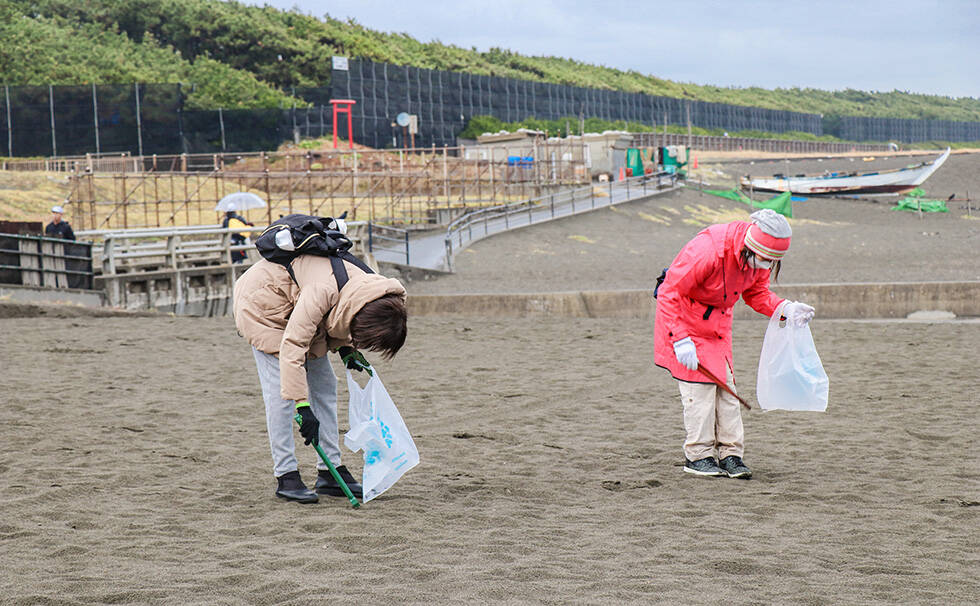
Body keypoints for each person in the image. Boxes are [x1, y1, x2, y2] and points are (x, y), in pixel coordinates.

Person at [233, 252, 408, 503]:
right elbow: (293, 349)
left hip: (299, 305)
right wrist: (302, 406)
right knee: (280, 395)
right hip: (264, 305)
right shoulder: (321, 292)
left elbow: (341, 314)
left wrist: (347, 349)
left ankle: (330, 472)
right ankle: (287, 475)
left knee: (326, 385)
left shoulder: (374, 288)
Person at [653, 208, 814, 479]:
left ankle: (731, 454)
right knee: (700, 394)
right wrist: (680, 339)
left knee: (727, 392)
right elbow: (669, 292)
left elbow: (757, 294)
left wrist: (785, 308)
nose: (767, 265)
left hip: (718, 328)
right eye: (765, 258)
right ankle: (698, 456)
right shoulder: (708, 249)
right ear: (752, 247)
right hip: (685, 323)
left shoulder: (759, 259)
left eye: (773, 261)